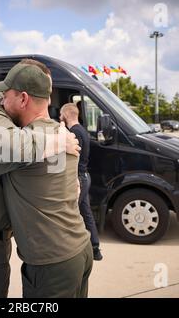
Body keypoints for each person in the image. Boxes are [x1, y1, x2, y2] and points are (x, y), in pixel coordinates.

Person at [0, 61, 92, 298]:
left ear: (23, 99)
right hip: (79, 248)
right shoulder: (61, 132)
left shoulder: (23, 147)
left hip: (52, 263)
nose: (1, 101)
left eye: (5, 96)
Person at [60, 102, 103, 261]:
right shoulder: (82, 130)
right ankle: (95, 248)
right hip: (85, 176)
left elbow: (71, 158)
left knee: (69, 214)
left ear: (65, 115)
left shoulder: (74, 133)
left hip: (78, 178)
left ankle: (72, 251)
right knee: (86, 212)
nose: (59, 117)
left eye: (60, 114)